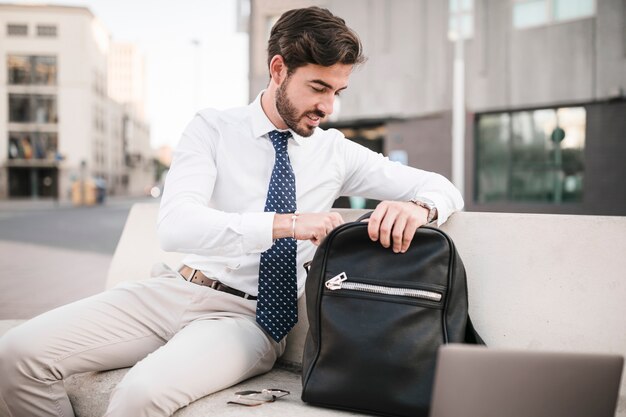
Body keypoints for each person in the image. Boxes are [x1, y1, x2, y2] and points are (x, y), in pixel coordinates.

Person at [0, 6, 463, 417]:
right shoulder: (213, 128)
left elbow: (441, 186)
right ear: (278, 69)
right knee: (14, 356)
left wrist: (420, 207)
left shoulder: (336, 152)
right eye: (318, 87)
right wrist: (287, 224)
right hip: (170, 289)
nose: (328, 106)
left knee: (139, 395)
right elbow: (177, 224)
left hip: (247, 319)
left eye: (338, 91)